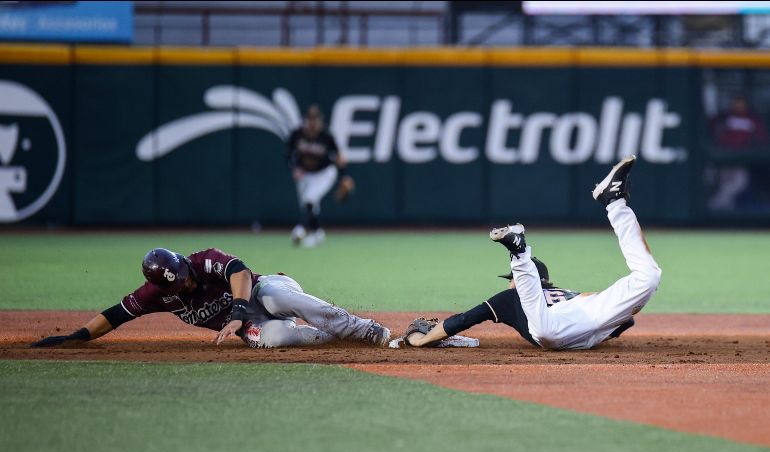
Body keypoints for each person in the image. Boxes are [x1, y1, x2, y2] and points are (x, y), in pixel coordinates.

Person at [404, 155, 662, 350]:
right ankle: (614, 202)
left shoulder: (511, 298)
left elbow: (462, 320)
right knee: (649, 277)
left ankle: (519, 253)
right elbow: (626, 323)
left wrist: (422, 339)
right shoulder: (566, 292)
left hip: (555, 329)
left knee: (541, 320)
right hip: (589, 317)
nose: (509, 284)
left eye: (511, 279)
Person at [32, 248, 391, 349]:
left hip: (261, 292)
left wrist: (237, 311)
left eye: (186, 277)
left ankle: (363, 329)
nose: (187, 285)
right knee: (278, 337)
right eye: (179, 286)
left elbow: (239, 271)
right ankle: (335, 337)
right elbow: (116, 314)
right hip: (251, 325)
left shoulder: (202, 260)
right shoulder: (154, 294)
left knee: (280, 298)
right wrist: (77, 336)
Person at [286, 105, 355, 248]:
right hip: (305, 174)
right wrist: (295, 168)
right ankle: (318, 234)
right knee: (309, 206)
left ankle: (299, 230)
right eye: (310, 119)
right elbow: (288, 154)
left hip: (324, 173)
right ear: (305, 120)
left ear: (320, 121)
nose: (312, 123)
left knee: (309, 200)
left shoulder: (326, 136)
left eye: (315, 120)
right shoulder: (297, 135)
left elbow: (339, 158)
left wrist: (345, 176)